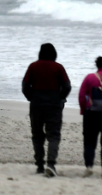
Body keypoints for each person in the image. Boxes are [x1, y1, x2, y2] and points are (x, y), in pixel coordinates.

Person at [22, 43, 72, 177]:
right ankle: (51, 164)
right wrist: (60, 98)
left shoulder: (33, 66)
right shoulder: (58, 67)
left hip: (36, 103)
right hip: (54, 105)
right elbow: (67, 86)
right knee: (53, 135)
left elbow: (25, 86)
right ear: (54, 54)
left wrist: (31, 97)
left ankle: (39, 165)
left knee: (37, 135)